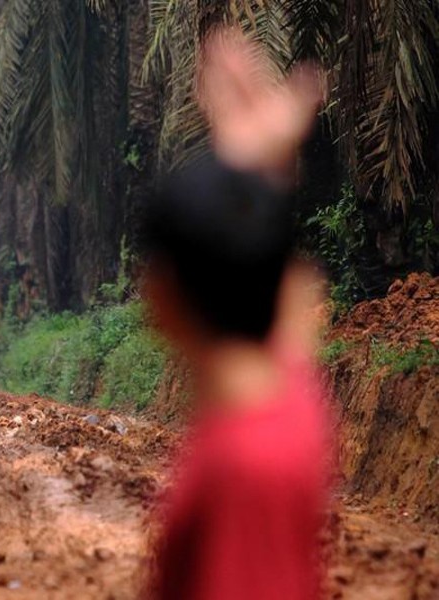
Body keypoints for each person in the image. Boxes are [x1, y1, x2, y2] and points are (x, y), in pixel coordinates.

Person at [144, 29, 333, 600]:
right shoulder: (292, 404)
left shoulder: (245, 469)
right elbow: (284, 304)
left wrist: (261, 170)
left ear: (162, 301)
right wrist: (266, 166)